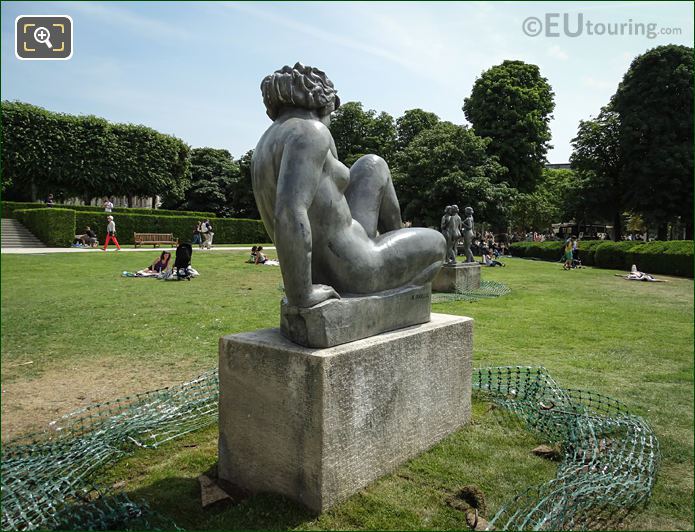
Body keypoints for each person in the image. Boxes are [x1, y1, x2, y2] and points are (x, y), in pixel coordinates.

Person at [252, 63, 446, 308]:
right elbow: (290, 211)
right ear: (325, 104)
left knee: (372, 164)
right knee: (437, 242)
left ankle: (393, 238)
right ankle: (395, 289)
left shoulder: (267, 141)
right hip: (356, 268)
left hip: (345, 249)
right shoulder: (312, 132)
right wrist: (301, 294)